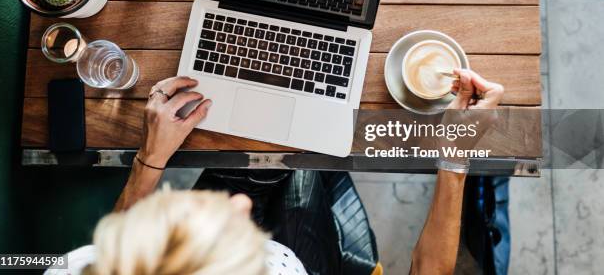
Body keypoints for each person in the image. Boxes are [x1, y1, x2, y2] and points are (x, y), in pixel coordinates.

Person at [46, 69, 505, 275]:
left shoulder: (87, 270)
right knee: (305, 159)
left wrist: (151, 157)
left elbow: (117, 249)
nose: (238, 208)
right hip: (313, 263)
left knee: (269, 167)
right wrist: (454, 155)